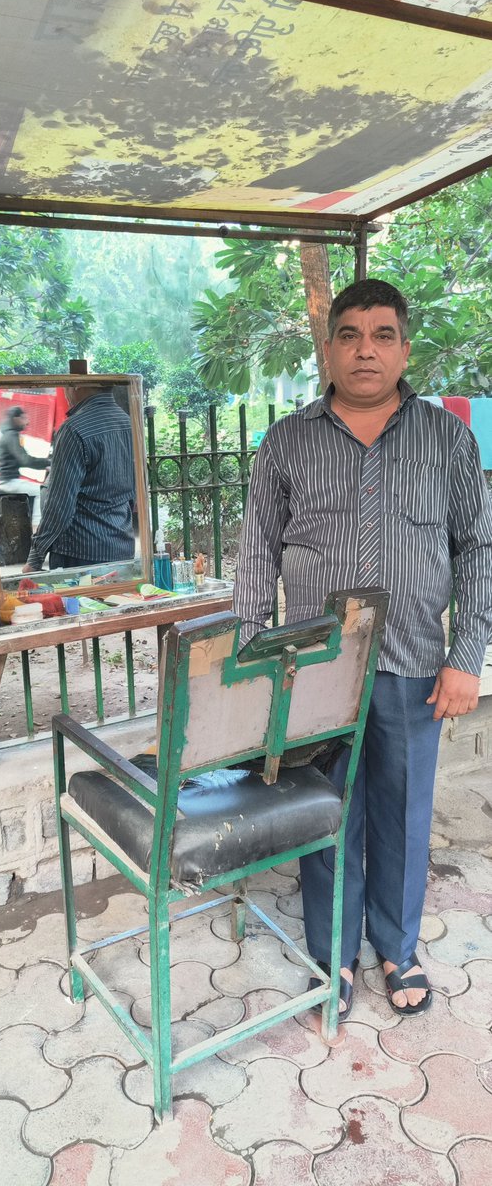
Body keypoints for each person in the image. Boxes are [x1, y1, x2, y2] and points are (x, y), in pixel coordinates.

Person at [234, 278, 492, 1018]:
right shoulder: (288, 440)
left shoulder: (445, 437)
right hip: (314, 667)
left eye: (382, 335)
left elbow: (477, 548)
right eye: (349, 335)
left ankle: (397, 947)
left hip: (415, 664)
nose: (365, 350)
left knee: (405, 815)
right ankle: (334, 954)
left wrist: (466, 654)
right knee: (325, 811)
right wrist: (255, 656)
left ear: (404, 348)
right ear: (329, 347)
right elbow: (255, 551)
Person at [22, 383, 135, 573]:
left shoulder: (73, 429)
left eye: (66, 385)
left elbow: (59, 504)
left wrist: (35, 559)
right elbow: (135, 490)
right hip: (122, 547)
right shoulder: (129, 423)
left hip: (81, 553)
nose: (65, 392)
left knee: (79, 604)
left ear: (78, 386)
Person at [0, 406, 50, 526]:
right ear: (16, 418)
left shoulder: (8, 434)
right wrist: (48, 463)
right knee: (40, 491)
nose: (27, 422)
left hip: (8, 480)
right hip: (9, 482)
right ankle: (38, 526)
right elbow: (24, 460)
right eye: (24, 418)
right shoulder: (11, 436)